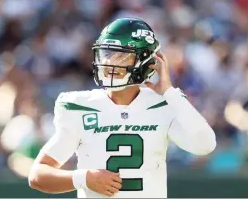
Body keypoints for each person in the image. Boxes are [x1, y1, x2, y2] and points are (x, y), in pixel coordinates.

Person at [28, 18, 216, 198]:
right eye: (107, 54)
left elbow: (205, 145)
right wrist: (84, 178)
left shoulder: (164, 104)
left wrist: (169, 92)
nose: (110, 62)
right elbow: (38, 175)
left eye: (122, 56)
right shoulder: (81, 107)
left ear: (146, 61)